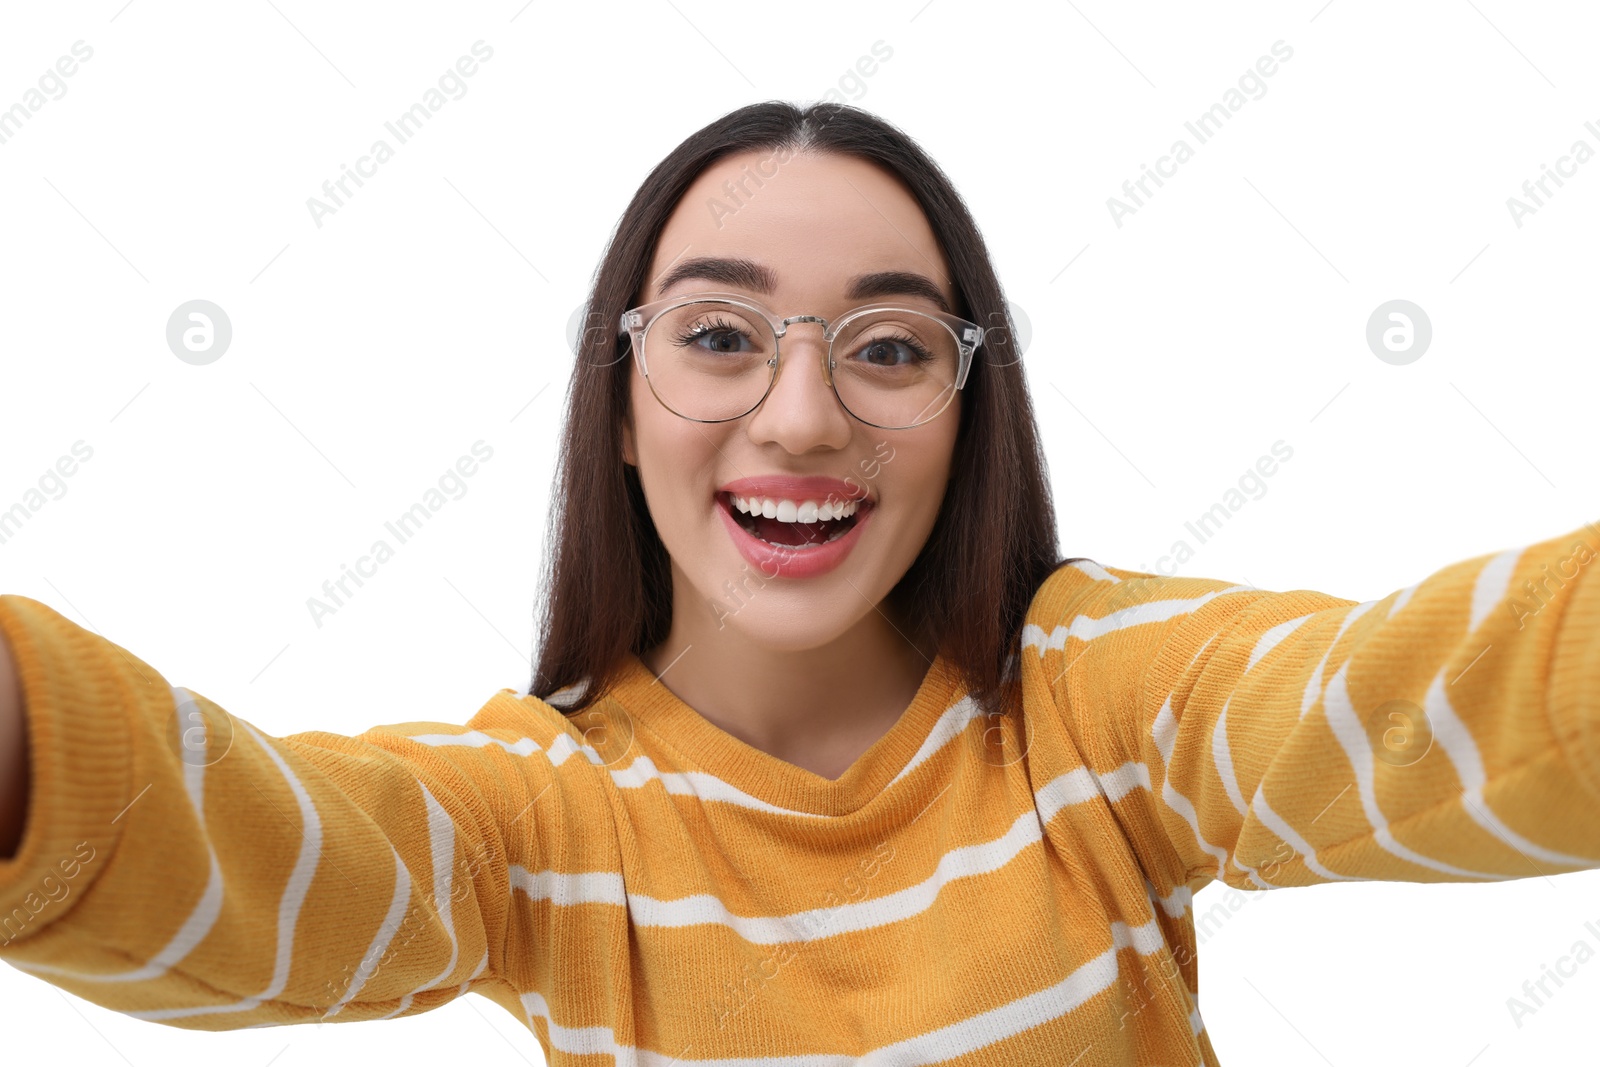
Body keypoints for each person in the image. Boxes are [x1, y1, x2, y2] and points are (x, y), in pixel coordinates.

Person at [1, 100, 1597, 1067]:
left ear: (969, 417)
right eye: (717, 335)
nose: (804, 414)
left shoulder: (1097, 696)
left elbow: (1404, 712)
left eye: (892, 347)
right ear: (616, 412)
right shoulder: (541, 811)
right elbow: (258, 864)